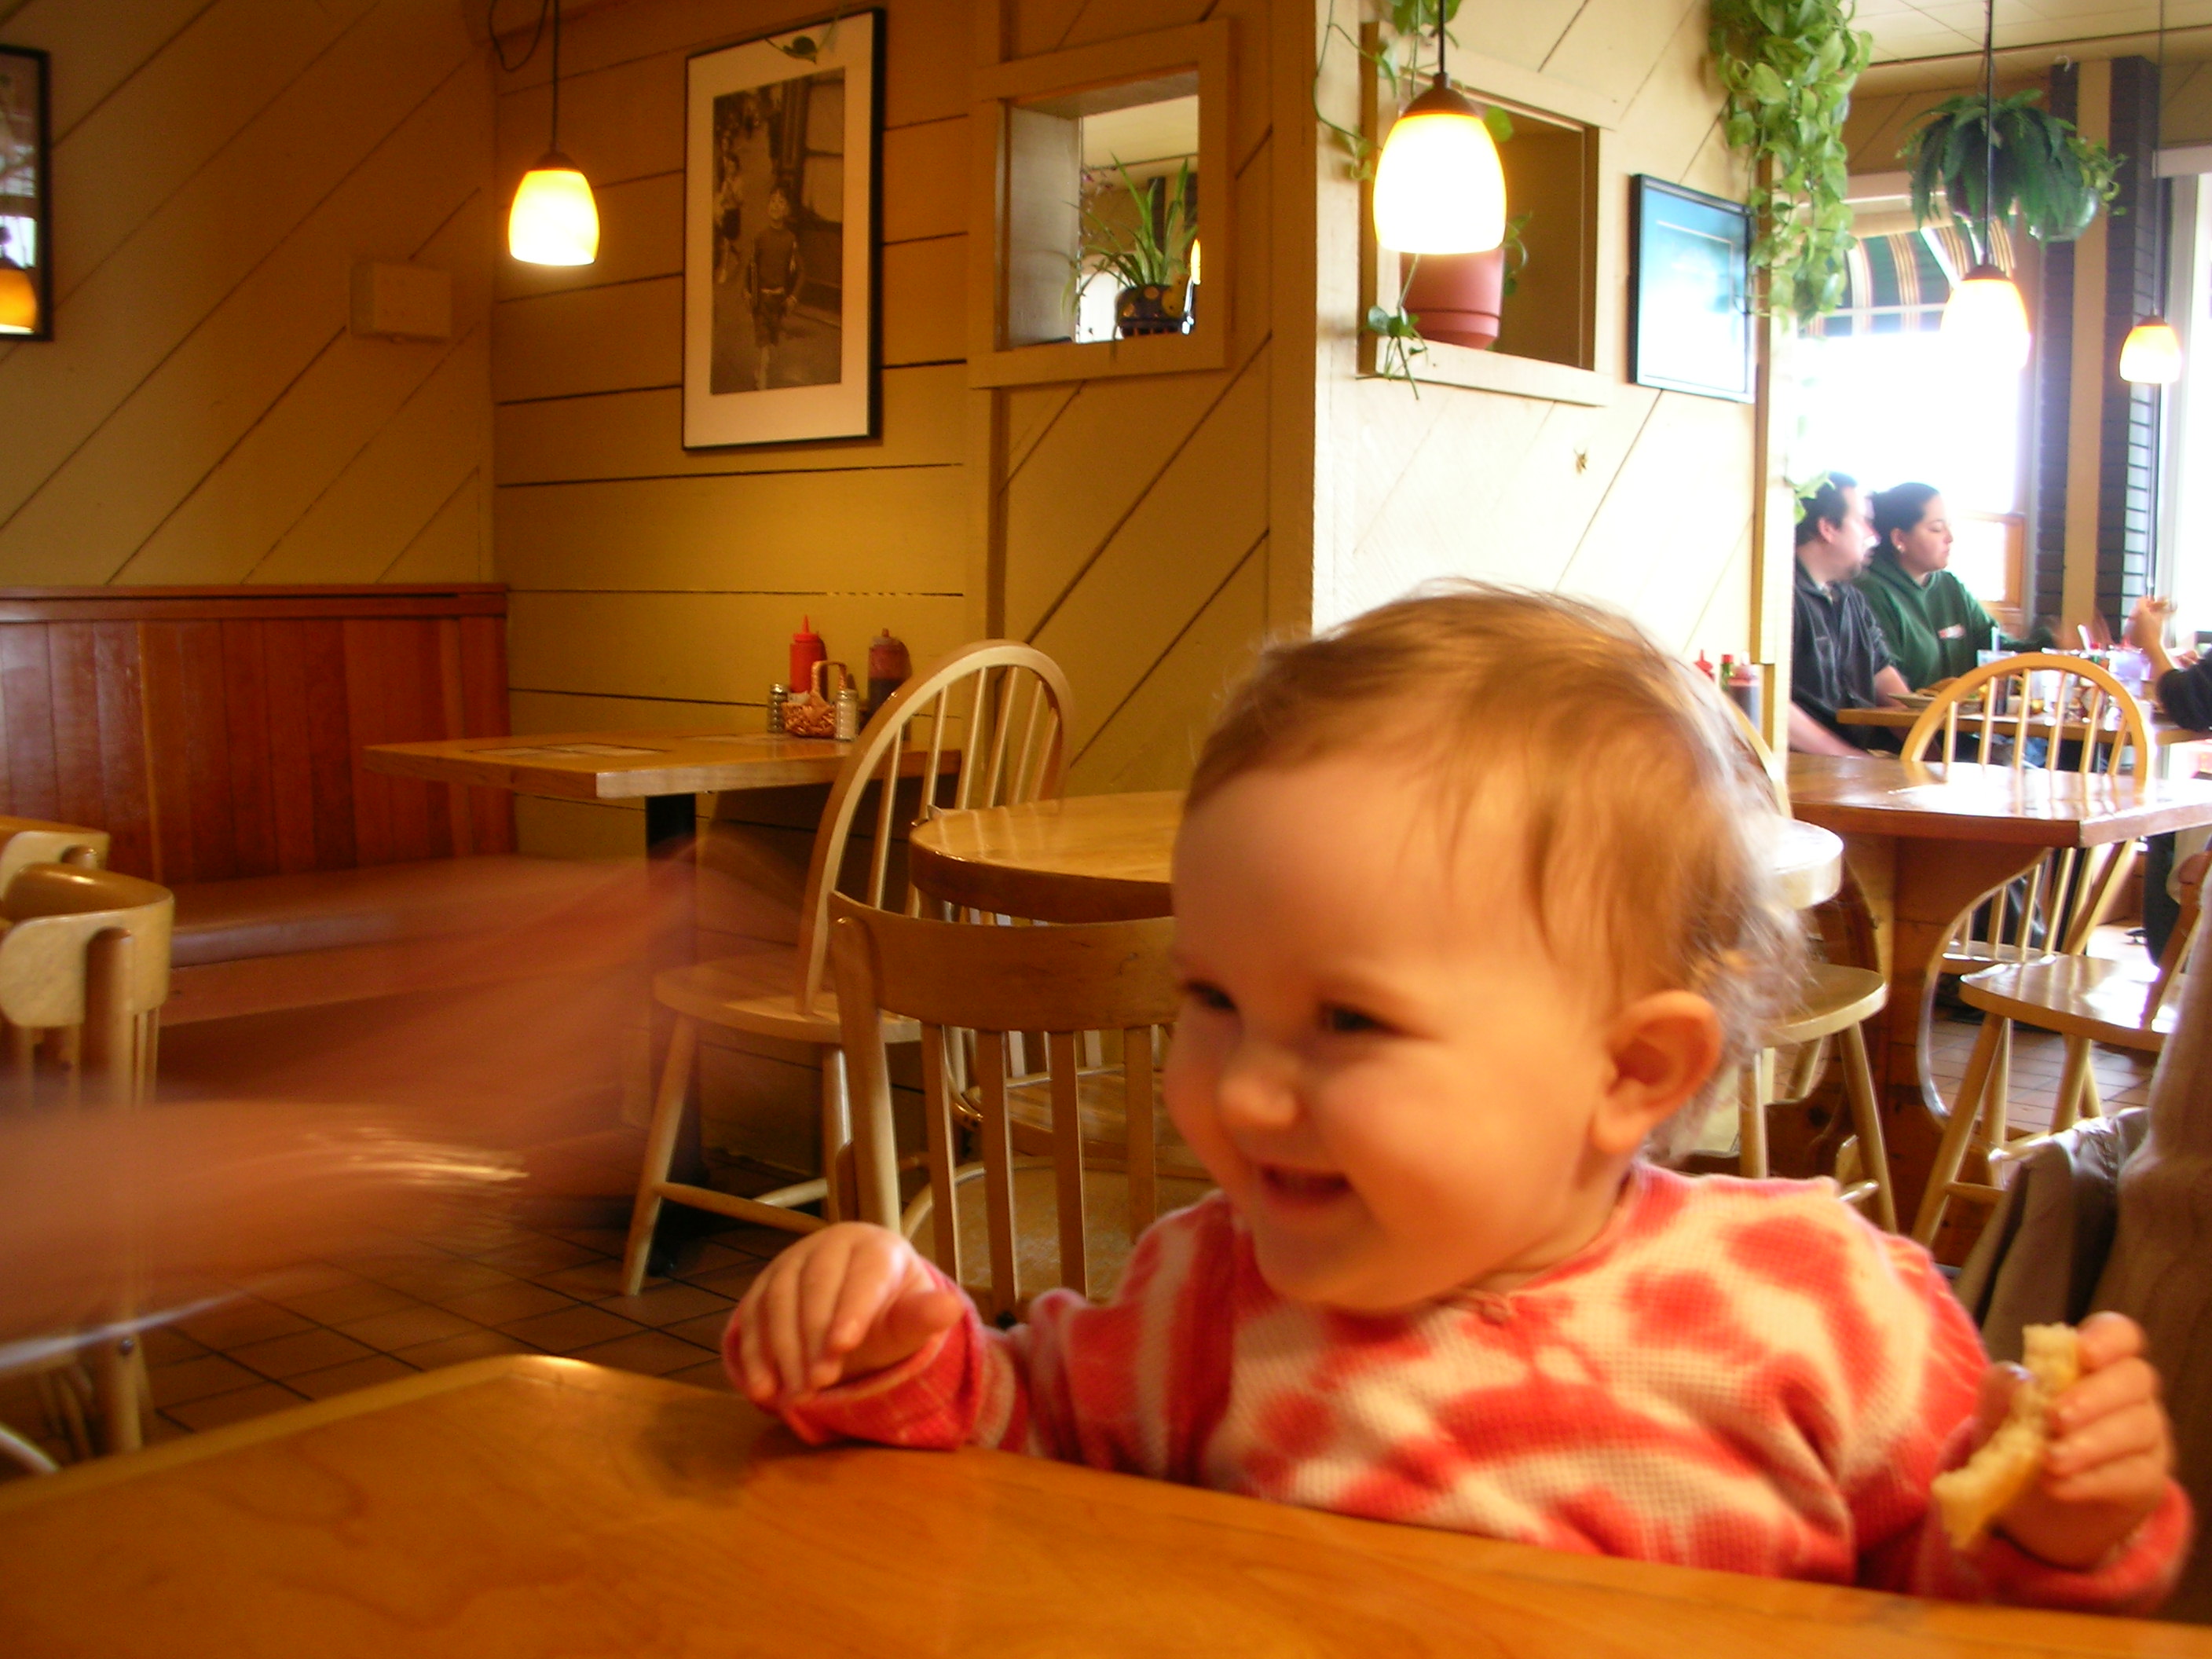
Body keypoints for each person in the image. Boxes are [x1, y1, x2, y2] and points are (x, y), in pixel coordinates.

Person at [727, 584, 2188, 1610]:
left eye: (1347, 1022)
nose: (1244, 1092)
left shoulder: (1823, 1312)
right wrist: (892, 1336)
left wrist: (2058, 1527)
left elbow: (1945, 1608)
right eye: (1211, 998)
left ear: (1631, 1072)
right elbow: (1014, 1443)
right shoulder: (1202, 1301)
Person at [1855, 484, 2041, 690]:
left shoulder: (1950, 586)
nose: (1950, 537)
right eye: (1936, 529)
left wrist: (2045, 647)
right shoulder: (1869, 591)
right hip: (1913, 712)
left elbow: (1995, 646)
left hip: (1957, 710)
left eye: (1949, 526)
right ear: (1899, 538)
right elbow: (1884, 677)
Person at [1791, 472, 1911, 755]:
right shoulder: (1781, 597)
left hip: (1854, 760)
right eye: (1862, 521)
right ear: (1828, 528)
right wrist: (1850, 760)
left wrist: (1929, 759)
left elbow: (1882, 676)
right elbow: (1769, 702)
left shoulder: (1851, 598)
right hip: (1801, 765)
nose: (1874, 535)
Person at [745, 184, 804, 392]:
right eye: (772, 201)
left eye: (781, 202)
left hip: (778, 302)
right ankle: (763, 381)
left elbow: (802, 273)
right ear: (767, 205)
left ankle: (759, 370)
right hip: (761, 299)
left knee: (769, 343)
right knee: (764, 344)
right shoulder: (760, 238)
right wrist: (747, 291)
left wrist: (793, 297)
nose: (776, 206)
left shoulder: (790, 240)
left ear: (787, 209)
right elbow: (750, 267)